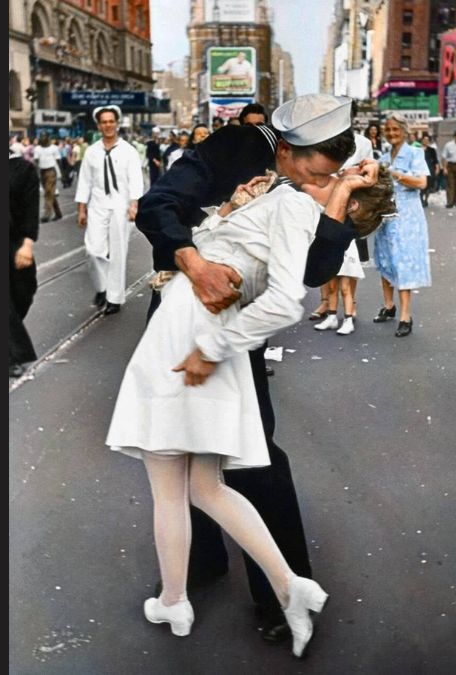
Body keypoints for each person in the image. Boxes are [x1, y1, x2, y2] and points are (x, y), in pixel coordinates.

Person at [108, 95, 384, 657]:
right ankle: (198, 567)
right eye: (312, 169)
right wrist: (194, 261)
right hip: (192, 306)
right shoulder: (230, 147)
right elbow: (157, 204)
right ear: (283, 147)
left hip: (233, 324)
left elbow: (312, 271)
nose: (319, 178)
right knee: (190, 463)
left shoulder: (335, 167)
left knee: (251, 456)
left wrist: (345, 202)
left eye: (329, 170)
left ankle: (276, 593)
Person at [311, 111, 380, 336]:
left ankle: (351, 308)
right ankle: (328, 307)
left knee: (349, 266)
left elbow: (370, 174)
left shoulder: (363, 143)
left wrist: (352, 176)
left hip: (351, 207)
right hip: (325, 203)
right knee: (323, 254)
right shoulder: (321, 141)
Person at [74, 105, 144, 315]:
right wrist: (81, 209)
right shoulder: (92, 152)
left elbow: (136, 180)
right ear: (99, 125)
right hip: (97, 205)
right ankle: (102, 287)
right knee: (93, 250)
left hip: (121, 207)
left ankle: (114, 298)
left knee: (118, 251)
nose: (108, 125)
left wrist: (134, 205)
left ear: (117, 123)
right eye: (104, 122)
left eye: (111, 121)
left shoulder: (128, 151)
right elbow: (84, 182)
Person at [372, 112, 432, 337]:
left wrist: (394, 174)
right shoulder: (384, 157)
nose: (391, 133)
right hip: (386, 216)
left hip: (408, 217)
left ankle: (406, 315)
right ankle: (389, 306)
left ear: (405, 131)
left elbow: (421, 182)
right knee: (385, 259)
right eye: (388, 130)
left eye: (396, 130)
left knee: (403, 262)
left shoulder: (415, 153)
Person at [9, 146, 40, 378]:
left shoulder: (23, 169)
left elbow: (30, 209)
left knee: (23, 291)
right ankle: (14, 355)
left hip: (14, 241)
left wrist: (27, 244)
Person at [33, 133, 63, 222]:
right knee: (49, 193)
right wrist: (36, 173)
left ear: (48, 138)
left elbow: (58, 160)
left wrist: (61, 173)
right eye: (41, 137)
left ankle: (47, 214)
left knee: (48, 192)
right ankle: (58, 213)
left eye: (44, 137)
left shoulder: (54, 148)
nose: (42, 139)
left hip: (51, 171)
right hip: (42, 172)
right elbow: (36, 161)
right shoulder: (37, 149)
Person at [421, 133, 440, 207]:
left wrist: (437, 168)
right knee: (421, 185)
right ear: (422, 140)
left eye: (427, 140)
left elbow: (435, 160)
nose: (425, 141)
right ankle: (421, 199)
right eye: (424, 140)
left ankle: (426, 199)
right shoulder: (417, 149)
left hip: (429, 169)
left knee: (428, 186)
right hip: (420, 169)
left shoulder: (432, 150)